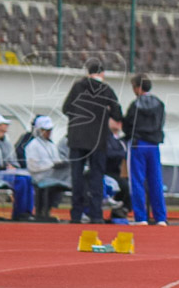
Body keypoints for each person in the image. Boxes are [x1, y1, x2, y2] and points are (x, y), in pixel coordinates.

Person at [62, 58, 123, 224]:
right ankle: (96, 215)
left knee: (77, 177)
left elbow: (65, 108)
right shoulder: (106, 90)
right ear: (102, 73)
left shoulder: (77, 87)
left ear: (88, 72)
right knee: (97, 177)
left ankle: (76, 214)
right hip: (98, 140)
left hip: (76, 138)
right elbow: (118, 114)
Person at [122, 73, 167, 227]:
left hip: (138, 144)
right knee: (156, 181)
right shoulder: (159, 104)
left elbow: (127, 124)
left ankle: (141, 217)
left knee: (137, 181)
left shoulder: (135, 105)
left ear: (137, 87)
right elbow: (161, 123)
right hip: (153, 145)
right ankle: (161, 217)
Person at [25, 116, 70, 223]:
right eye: (45, 130)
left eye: (49, 130)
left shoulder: (51, 145)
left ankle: (48, 210)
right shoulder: (33, 145)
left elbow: (57, 160)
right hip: (39, 176)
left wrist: (59, 165)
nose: (48, 133)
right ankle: (42, 211)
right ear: (38, 130)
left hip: (51, 174)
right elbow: (32, 167)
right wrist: (51, 165)